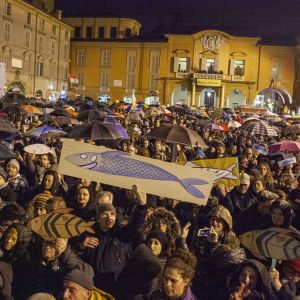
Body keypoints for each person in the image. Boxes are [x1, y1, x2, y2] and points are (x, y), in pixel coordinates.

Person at [78, 186, 147, 295]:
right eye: (105, 214)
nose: (109, 217)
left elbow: (136, 224)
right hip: (92, 288)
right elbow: (77, 258)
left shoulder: (122, 235)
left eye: (112, 214)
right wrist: (81, 246)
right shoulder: (88, 235)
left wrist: (142, 207)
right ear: (98, 218)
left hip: (114, 289)